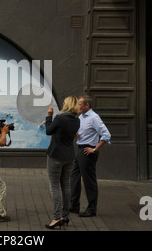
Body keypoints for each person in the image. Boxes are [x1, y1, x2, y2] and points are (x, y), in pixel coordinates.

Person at [70, 95, 111, 217]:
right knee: (74, 178)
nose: (78, 106)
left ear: (87, 105)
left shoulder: (94, 117)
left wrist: (94, 149)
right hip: (80, 149)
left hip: (88, 152)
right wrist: (78, 134)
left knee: (89, 181)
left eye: (80, 104)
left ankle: (92, 209)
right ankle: (74, 206)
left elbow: (106, 135)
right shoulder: (81, 116)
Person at [44, 96, 80, 229]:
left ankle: (56, 217)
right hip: (69, 156)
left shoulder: (60, 118)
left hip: (56, 155)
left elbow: (48, 131)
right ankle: (65, 216)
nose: (63, 104)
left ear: (67, 104)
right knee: (65, 186)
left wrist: (49, 116)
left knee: (54, 186)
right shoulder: (76, 120)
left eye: (64, 102)